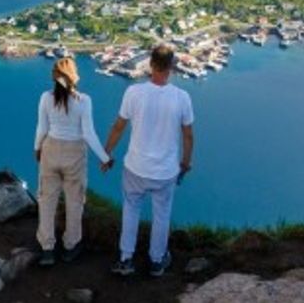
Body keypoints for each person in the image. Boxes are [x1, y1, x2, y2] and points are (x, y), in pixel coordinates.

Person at [103, 43, 195, 278]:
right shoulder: (182, 98)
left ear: (151, 64)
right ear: (171, 67)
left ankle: (126, 259)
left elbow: (118, 127)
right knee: (161, 214)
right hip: (165, 171)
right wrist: (185, 163)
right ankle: (156, 261)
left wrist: (107, 154)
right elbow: (188, 135)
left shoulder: (133, 93)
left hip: (135, 167)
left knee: (131, 210)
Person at [33, 56, 113, 266]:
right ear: (74, 77)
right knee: (74, 201)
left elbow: (42, 128)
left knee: (47, 200)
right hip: (74, 154)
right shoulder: (84, 101)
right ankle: (70, 246)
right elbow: (88, 134)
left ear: (54, 77)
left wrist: (36, 148)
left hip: (50, 150)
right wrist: (105, 158)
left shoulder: (45, 98)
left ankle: (47, 248)